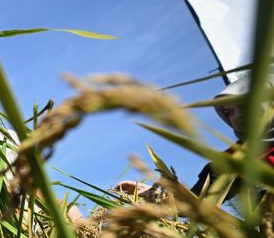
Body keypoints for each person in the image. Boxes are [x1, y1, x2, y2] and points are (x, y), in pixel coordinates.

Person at [115, 71, 274, 201]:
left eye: (243, 104)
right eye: (228, 112)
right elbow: (197, 202)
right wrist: (155, 194)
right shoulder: (230, 162)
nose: (237, 116)